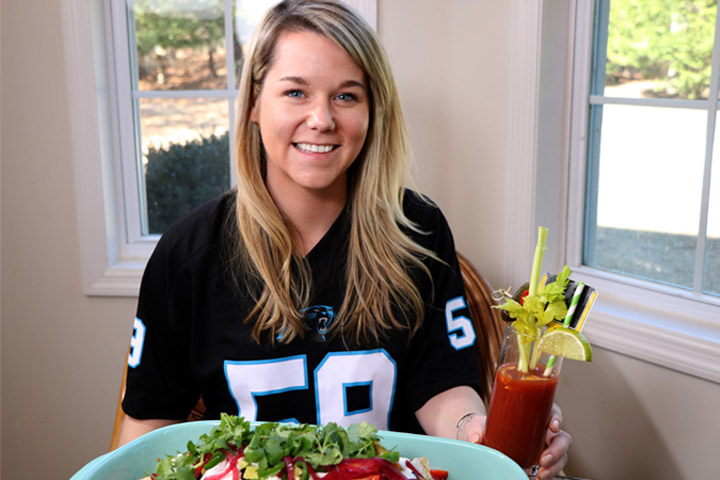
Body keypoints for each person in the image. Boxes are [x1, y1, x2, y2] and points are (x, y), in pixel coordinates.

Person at [117, 1, 571, 478]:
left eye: (346, 96)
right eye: (295, 92)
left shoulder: (417, 229)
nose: (321, 119)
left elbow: (442, 387)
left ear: (373, 110)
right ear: (253, 103)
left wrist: (477, 431)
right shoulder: (188, 253)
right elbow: (150, 422)